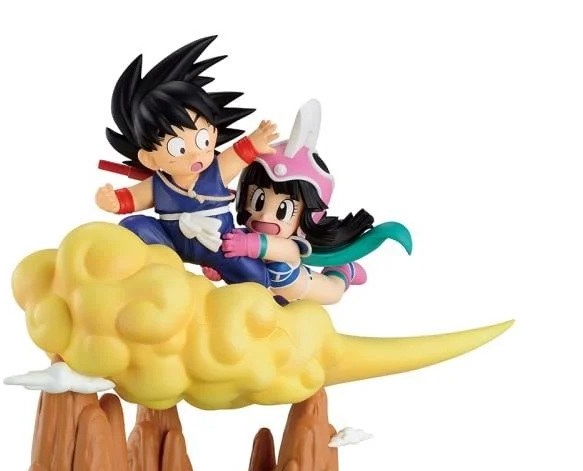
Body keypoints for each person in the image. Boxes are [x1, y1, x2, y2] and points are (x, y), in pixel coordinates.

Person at [95, 36, 278, 286]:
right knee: (133, 225)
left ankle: (268, 291)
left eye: (203, 140)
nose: (196, 155)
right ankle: (165, 276)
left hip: (218, 244)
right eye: (178, 148)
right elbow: (130, 199)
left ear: (214, 132)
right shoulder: (159, 184)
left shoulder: (216, 171)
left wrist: (256, 141)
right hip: (170, 247)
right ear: (149, 158)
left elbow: (239, 153)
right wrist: (112, 200)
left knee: (253, 276)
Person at [218, 100, 412, 305]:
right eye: (258, 201)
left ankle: (345, 270)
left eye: (283, 210)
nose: (265, 216)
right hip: (269, 302)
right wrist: (218, 267)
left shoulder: (290, 247)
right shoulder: (242, 236)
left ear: (307, 217)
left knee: (334, 291)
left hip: (306, 288)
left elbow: (273, 248)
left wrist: (247, 244)